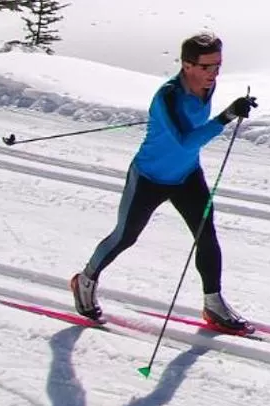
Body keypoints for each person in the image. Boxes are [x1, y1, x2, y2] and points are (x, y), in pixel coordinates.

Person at [70, 32, 257, 329]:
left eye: (218, 66)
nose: (213, 74)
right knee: (125, 237)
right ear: (187, 65)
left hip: (186, 176)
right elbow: (184, 140)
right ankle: (85, 279)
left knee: (206, 236)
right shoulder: (168, 96)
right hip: (149, 177)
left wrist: (233, 110)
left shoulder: (208, 85)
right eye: (206, 67)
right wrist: (226, 116)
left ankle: (213, 304)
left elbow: (191, 137)